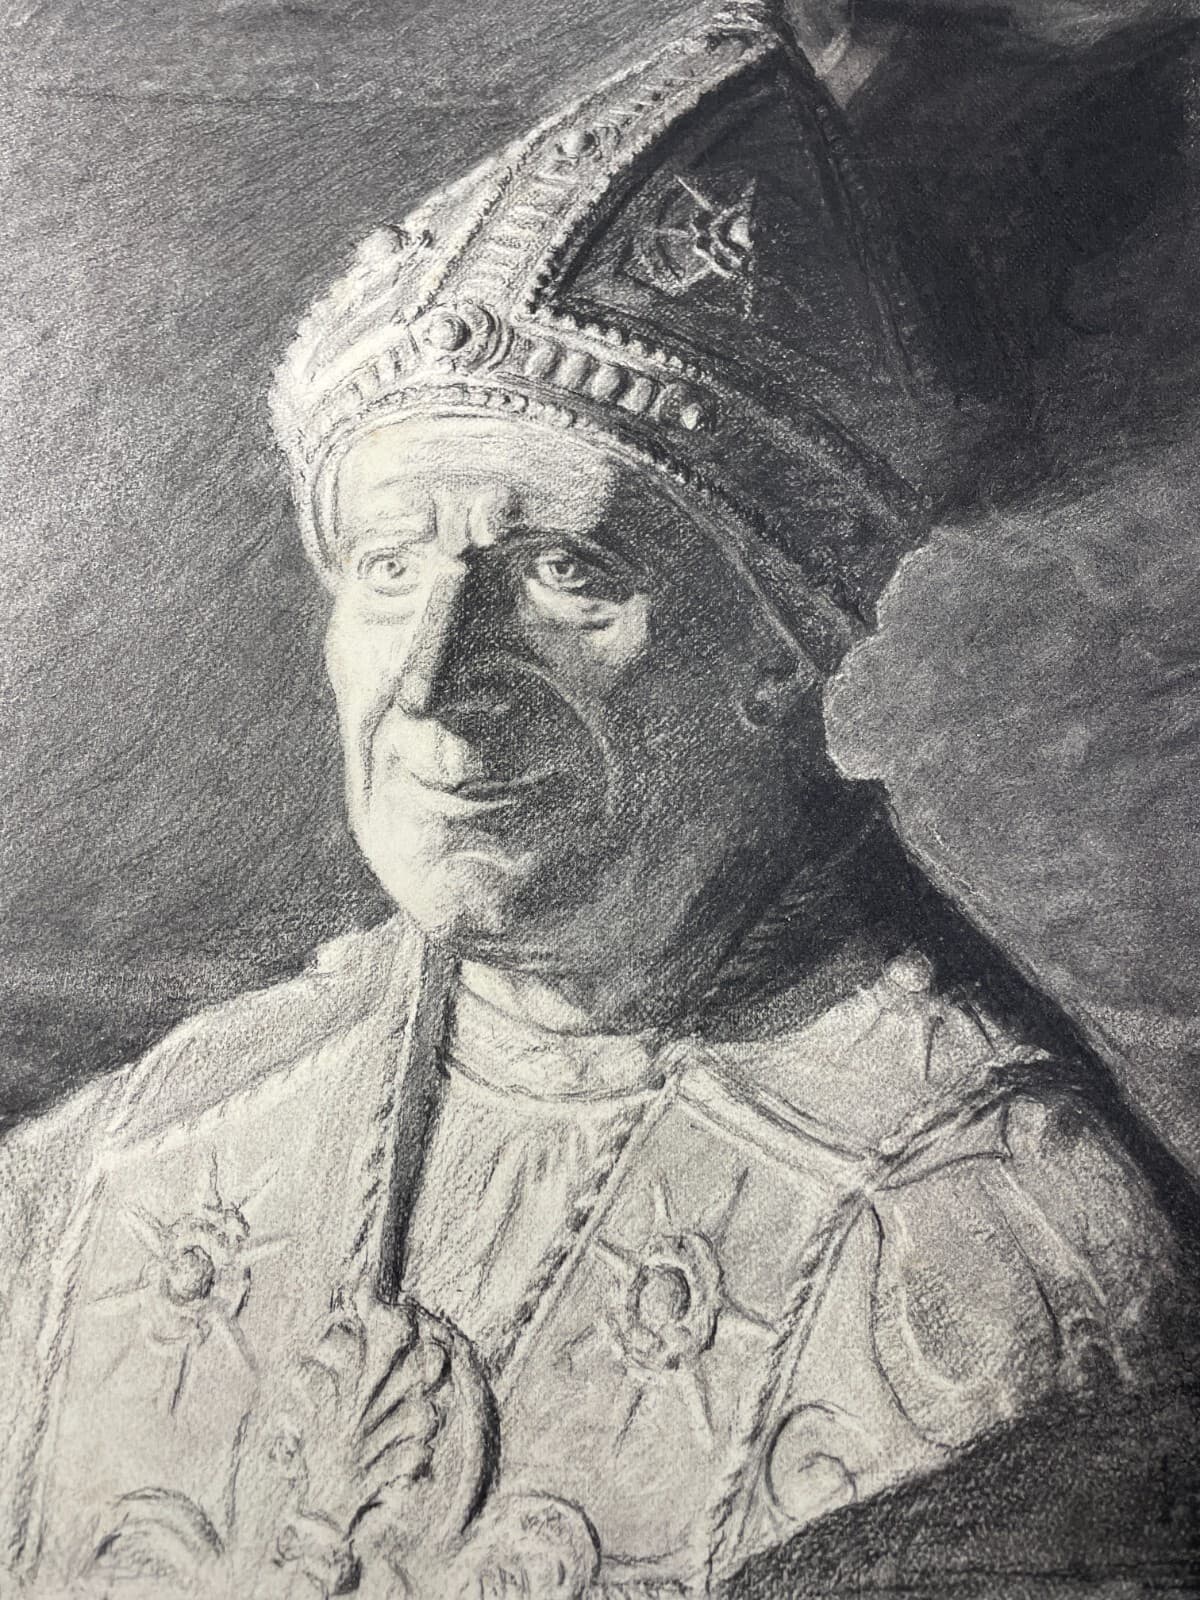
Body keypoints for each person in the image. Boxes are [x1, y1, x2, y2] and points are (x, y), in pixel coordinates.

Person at [1, 2, 1196, 1595]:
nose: (435, 679)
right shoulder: (128, 1162)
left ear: (778, 653)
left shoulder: (989, 1257)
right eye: (388, 567)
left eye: (566, 570)